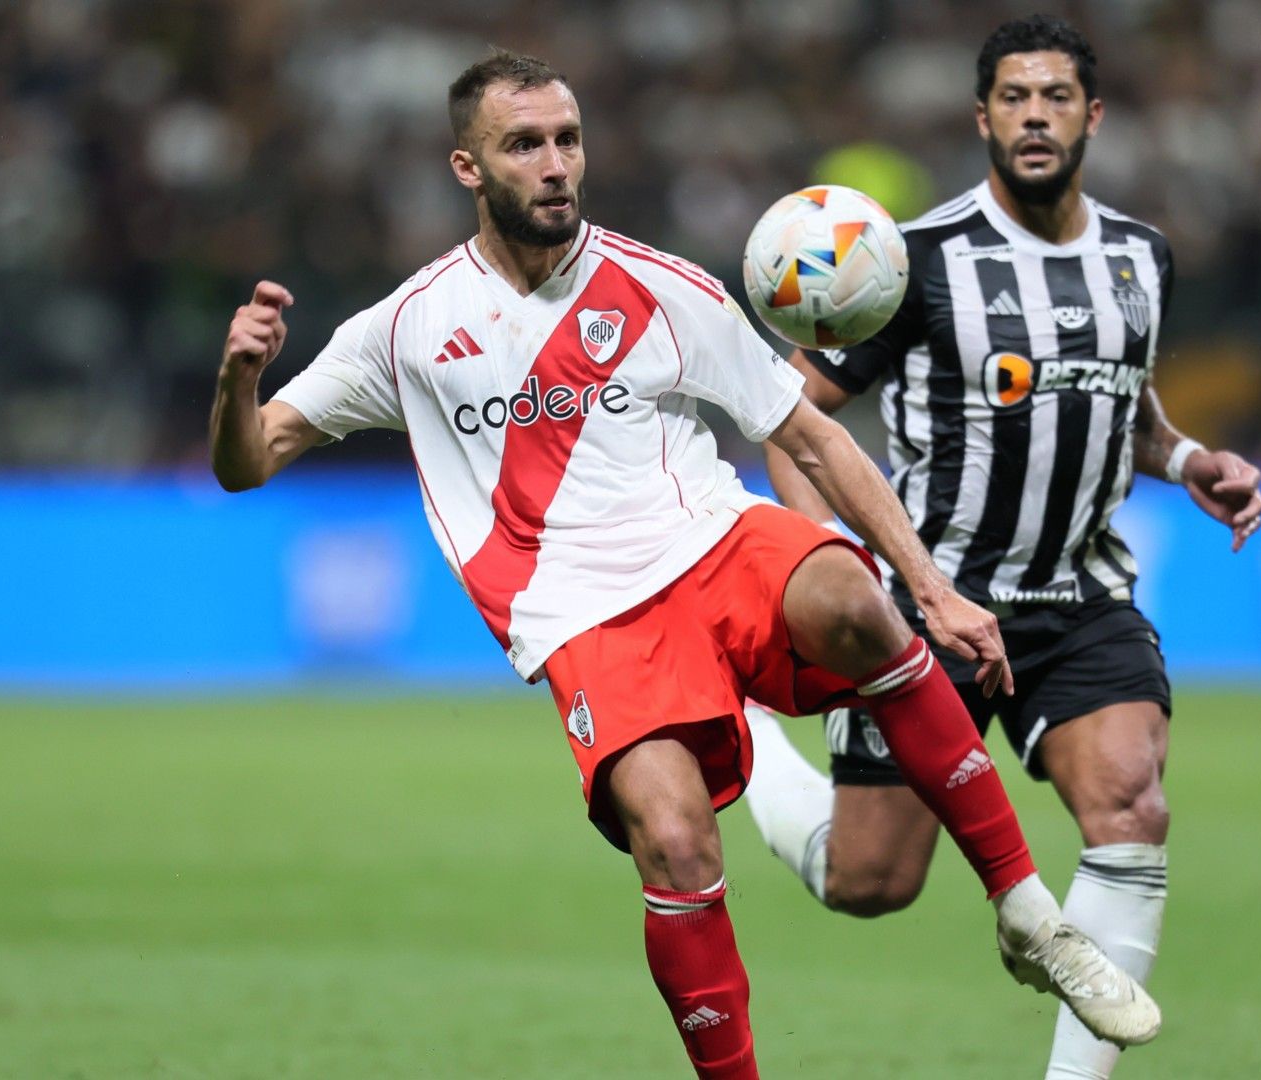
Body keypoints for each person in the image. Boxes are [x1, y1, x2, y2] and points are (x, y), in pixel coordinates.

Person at [206, 50, 1159, 1080]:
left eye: (568, 139)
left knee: (853, 596)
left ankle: (1027, 912)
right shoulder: (407, 328)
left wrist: (928, 585)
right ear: (468, 169)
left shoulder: (661, 285)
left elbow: (812, 437)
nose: (556, 163)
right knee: (675, 841)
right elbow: (249, 461)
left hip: (711, 542)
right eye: (524, 145)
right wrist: (237, 381)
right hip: (585, 617)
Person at [740, 16, 1261, 1080]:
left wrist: (1191, 459)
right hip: (933, 606)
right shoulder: (917, 263)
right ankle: (752, 743)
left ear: (1093, 116)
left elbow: (1129, 412)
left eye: (1057, 97)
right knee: (870, 882)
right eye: (1016, 98)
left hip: (1079, 597)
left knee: (1132, 804)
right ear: (983, 118)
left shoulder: (1139, 256)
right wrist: (819, 558)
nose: (1036, 116)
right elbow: (792, 414)